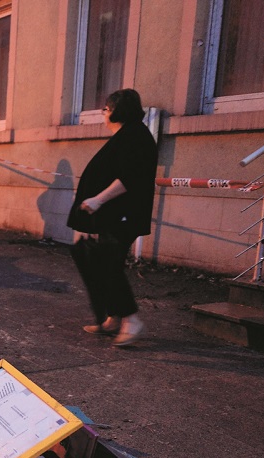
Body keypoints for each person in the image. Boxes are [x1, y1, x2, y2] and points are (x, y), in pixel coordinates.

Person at [68, 88, 157, 347]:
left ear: (118, 111)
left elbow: (130, 177)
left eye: (106, 109)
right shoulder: (127, 135)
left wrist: (98, 199)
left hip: (124, 215)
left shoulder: (134, 136)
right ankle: (113, 318)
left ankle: (131, 319)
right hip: (116, 215)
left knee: (108, 265)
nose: (103, 114)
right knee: (105, 263)